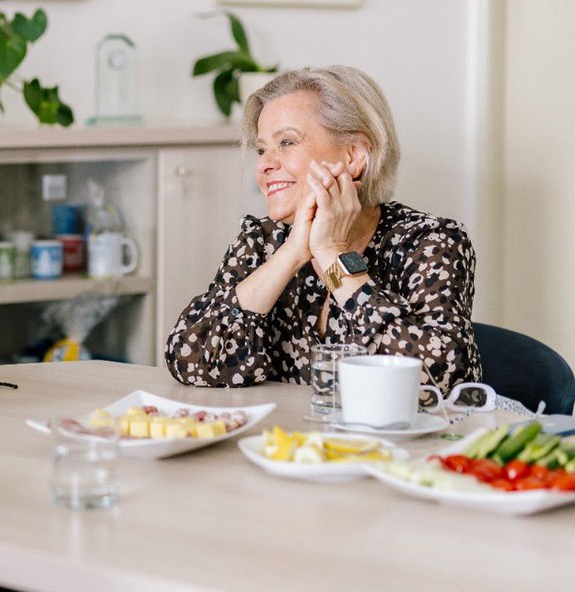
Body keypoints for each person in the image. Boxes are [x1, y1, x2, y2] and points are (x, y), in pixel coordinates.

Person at [166, 66, 480, 392]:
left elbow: (441, 380)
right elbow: (189, 360)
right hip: (283, 442)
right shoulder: (261, 241)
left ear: (354, 155)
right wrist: (290, 254)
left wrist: (333, 257)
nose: (263, 165)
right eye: (261, 150)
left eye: (287, 142)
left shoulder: (429, 242)